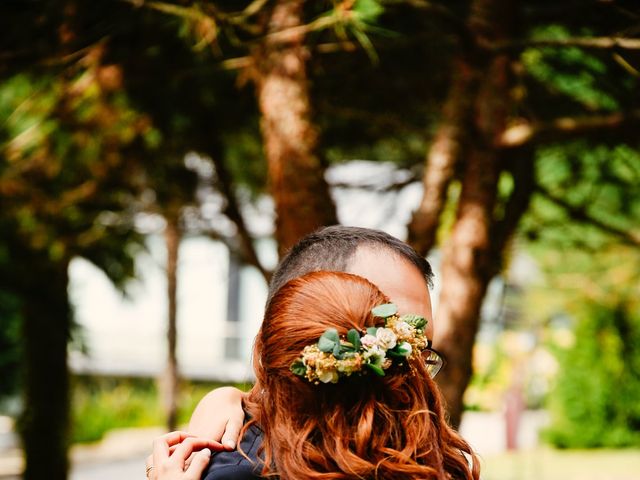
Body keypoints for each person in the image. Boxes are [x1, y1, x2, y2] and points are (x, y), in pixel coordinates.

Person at [147, 225, 441, 477]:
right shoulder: (237, 466)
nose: (409, 376)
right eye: (378, 335)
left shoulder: (428, 462)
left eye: (419, 351)